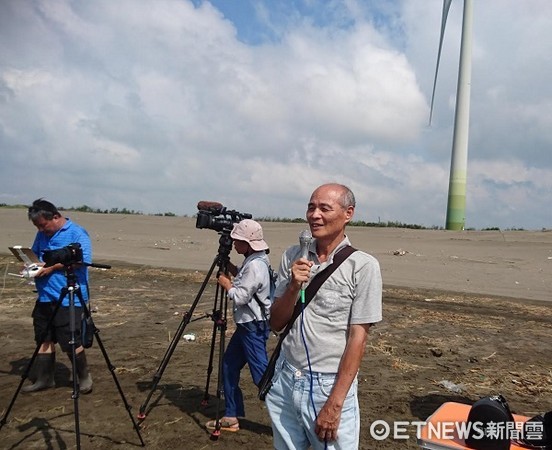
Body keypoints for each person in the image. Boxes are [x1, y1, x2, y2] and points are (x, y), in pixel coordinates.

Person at [266, 183, 383, 449]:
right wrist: (294, 286)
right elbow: (276, 322)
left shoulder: (363, 267)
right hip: (286, 378)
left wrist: (335, 403)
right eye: (311, 207)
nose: (314, 215)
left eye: (324, 208)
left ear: (348, 213)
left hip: (328, 385)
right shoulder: (292, 256)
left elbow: (358, 339)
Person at [205, 219, 272, 433]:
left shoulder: (255, 265)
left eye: (238, 241)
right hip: (247, 325)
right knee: (229, 365)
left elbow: (241, 296)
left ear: (248, 243)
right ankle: (231, 416)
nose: (234, 244)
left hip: (253, 325)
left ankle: (289, 415)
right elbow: (244, 278)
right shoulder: (256, 259)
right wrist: (230, 268)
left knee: (261, 376)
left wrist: (226, 284)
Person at [22, 198, 94, 394]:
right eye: (37, 227)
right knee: (43, 337)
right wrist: (31, 266)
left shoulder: (77, 233)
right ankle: (45, 378)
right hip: (45, 295)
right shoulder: (41, 235)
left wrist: (52, 267)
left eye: (43, 226)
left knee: (70, 338)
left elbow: (83, 261)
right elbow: (36, 256)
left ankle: (83, 378)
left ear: (55, 217)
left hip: (70, 294)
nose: (41, 231)